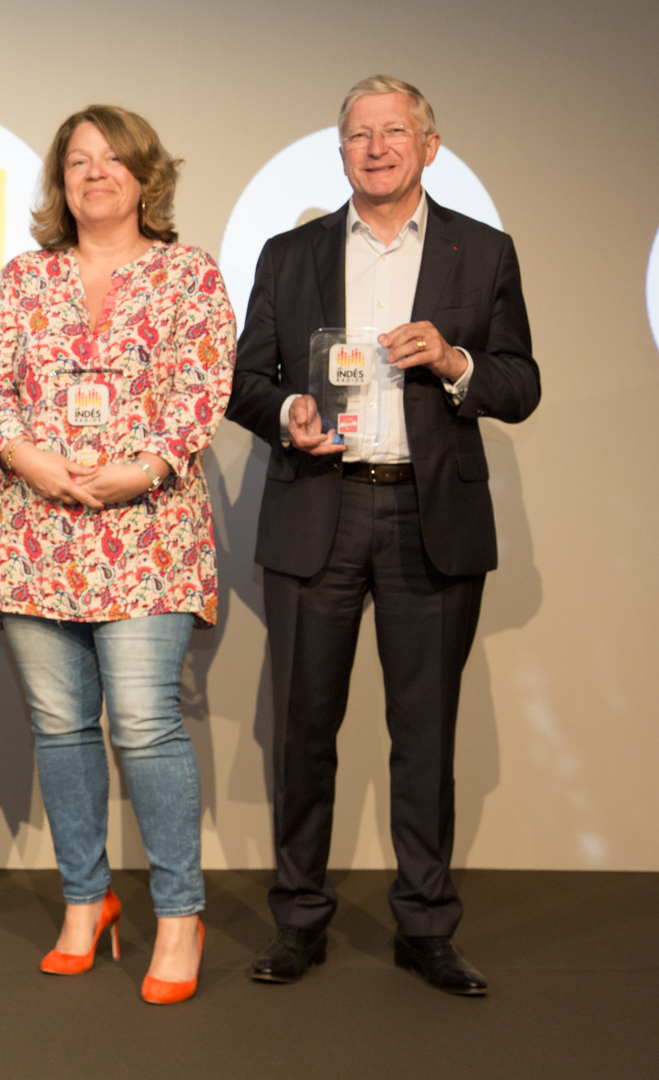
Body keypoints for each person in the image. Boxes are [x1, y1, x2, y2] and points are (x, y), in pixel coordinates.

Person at [226, 75, 540, 996]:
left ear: (429, 147)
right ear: (342, 150)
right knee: (304, 727)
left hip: (426, 514)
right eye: (359, 134)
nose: (376, 148)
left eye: (393, 132)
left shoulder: (480, 252)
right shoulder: (289, 254)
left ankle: (426, 928)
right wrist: (287, 409)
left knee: (425, 731)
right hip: (317, 501)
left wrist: (454, 361)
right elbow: (247, 381)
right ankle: (299, 920)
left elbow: (519, 384)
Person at [0, 105, 233, 1003]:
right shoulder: (22, 278)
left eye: (114, 158)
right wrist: (34, 461)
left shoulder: (189, 276)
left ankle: (181, 914)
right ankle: (87, 900)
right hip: (33, 529)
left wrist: (141, 468)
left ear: (146, 176)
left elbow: (203, 389)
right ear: (60, 181)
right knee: (61, 727)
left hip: (147, 530)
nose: (95, 172)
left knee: (147, 722)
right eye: (78, 161)